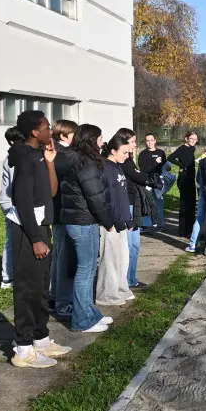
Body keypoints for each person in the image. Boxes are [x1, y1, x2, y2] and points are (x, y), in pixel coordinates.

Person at [6, 111, 70, 369]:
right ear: (35, 132)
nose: (50, 131)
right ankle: (22, 348)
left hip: (41, 227)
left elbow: (50, 192)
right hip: (27, 230)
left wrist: (51, 162)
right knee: (27, 289)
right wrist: (35, 238)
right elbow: (21, 199)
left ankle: (40, 339)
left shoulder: (38, 157)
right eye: (46, 127)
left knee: (41, 286)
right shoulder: (23, 157)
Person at [58, 124, 114, 336]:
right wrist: (107, 220)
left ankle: (90, 312)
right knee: (86, 269)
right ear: (92, 140)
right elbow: (95, 196)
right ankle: (82, 320)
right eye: (100, 138)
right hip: (83, 221)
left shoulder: (74, 158)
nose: (103, 142)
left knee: (88, 269)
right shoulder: (85, 161)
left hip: (78, 219)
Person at [97, 133, 136, 307]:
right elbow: (108, 198)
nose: (127, 156)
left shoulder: (118, 166)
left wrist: (127, 218)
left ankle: (120, 288)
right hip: (111, 223)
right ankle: (106, 295)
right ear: (113, 151)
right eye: (124, 153)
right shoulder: (106, 168)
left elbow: (122, 196)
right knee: (110, 261)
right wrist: (112, 221)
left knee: (121, 259)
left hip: (121, 220)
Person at [116, 128, 157, 290]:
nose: (135, 145)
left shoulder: (129, 160)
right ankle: (124, 280)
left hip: (134, 205)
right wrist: (148, 179)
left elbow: (139, 174)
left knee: (134, 245)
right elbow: (138, 176)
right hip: (127, 206)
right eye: (132, 142)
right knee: (127, 246)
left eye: (134, 142)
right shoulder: (123, 162)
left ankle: (131, 278)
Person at [49, 119, 78, 321]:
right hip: (63, 212)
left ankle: (54, 295)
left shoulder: (56, 153)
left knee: (59, 256)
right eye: (74, 134)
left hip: (58, 212)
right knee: (65, 259)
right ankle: (63, 303)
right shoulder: (63, 156)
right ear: (63, 136)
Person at [0, 127, 25, 290]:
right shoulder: (14, 157)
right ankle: (8, 277)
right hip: (12, 203)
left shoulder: (12, 156)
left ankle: (10, 276)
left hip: (10, 202)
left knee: (13, 240)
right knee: (13, 240)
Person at [167, 132, 200, 238]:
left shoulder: (192, 148)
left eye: (196, 139)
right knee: (185, 205)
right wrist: (182, 166)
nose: (194, 141)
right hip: (184, 179)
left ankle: (190, 229)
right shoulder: (182, 148)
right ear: (186, 139)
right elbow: (170, 158)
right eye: (191, 139)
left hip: (191, 178)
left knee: (191, 204)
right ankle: (183, 231)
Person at [138, 134, 167, 231]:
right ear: (145, 142)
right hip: (148, 181)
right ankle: (146, 224)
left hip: (158, 181)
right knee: (147, 202)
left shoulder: (160, 152)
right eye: (147, 140)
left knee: (158, 202)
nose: (149, 142)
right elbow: (143, 169)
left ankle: (159, 224)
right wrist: (155, 163)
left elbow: (165, 166)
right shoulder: (143, 154)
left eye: (151, 140)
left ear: (155, 141)